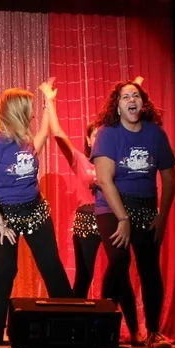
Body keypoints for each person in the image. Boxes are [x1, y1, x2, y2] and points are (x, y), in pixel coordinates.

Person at [0, 80, 74, 348]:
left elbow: (44, 132)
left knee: (51, 266)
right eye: (29, 110)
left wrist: (49, 101)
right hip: (4, 215)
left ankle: (71, 326)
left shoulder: (26, 139)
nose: (32, 115)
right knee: (5, 269)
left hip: (35, 211)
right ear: (16, 111)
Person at [92, 80, 175, 348]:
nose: (132, 99)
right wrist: (123, 219)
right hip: (112, 206)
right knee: (119, 260)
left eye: (136, 95)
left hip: (146, 207)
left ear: (143, 104)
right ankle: (100, 328)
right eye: (125, 96)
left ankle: (153, 331)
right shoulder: (107, 134)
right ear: (117, 106)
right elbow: (104, 180)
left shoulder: (155, 134)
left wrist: (162, 217)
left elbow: (170, 180)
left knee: (150, 268)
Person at [44, 100, 107, 299]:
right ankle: (73, 315)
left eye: (103, 136)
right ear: (88, 140)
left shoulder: (115, 163)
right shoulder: (80, 160)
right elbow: (58, 134)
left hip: (110, 218)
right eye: (96, 136)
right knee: (84, 277)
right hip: (87, 221)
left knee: (119, 273)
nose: (100, 139)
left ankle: (113, 315)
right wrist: (49, 101)